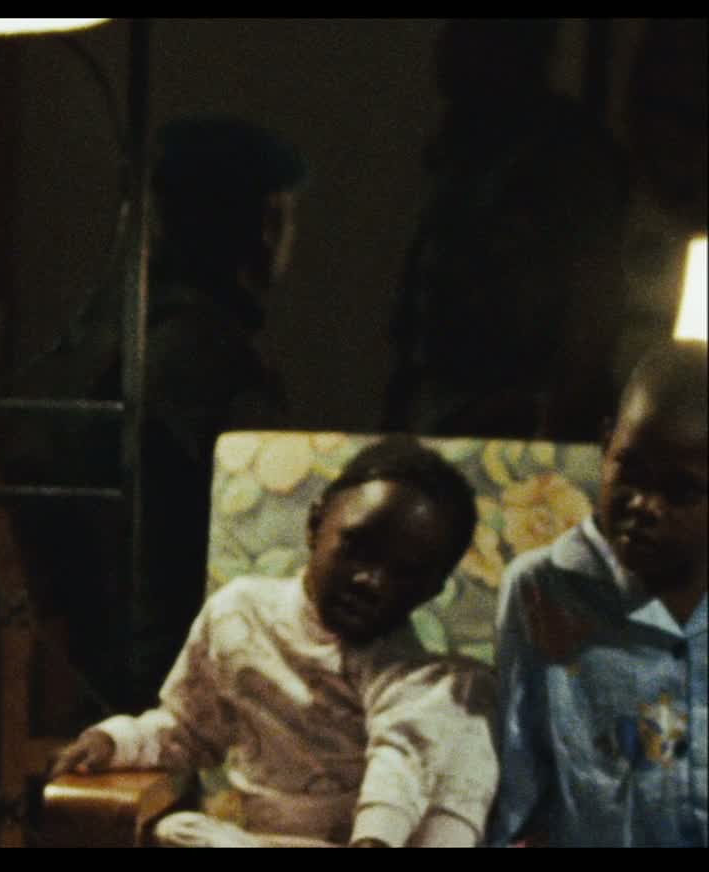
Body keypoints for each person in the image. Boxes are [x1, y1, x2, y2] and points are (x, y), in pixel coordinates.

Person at [48, 438, 498, 848]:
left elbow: (400, 763)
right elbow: (189, 729)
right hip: (265, 841)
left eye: (405, 573)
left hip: (376, 841)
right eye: (358, 548)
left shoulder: (416, 679)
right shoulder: (239, 613)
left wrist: (374, 840)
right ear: (315, 525)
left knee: (468, 692)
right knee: (177, 832)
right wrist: (116, 740)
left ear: (431, 589)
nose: (372, 581)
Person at [11, 116, 305, 705]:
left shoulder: (142, 335)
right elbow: (261, 531)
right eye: (283, 217)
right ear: (263, 224)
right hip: (167, 669)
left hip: (125, 651)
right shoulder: (203, 352)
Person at [487, 340, 707, 847]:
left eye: (681, 491)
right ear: (607, 444)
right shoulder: (543, 588)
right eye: (630, 471)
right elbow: (517, 757)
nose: (644, 505)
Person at [384, 19, 632, 441]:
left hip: (515, 410)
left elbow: (592, 309)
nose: (447, 47)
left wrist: (553, 416)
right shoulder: (460, 147)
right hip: (440, 400)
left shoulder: (568, 152)